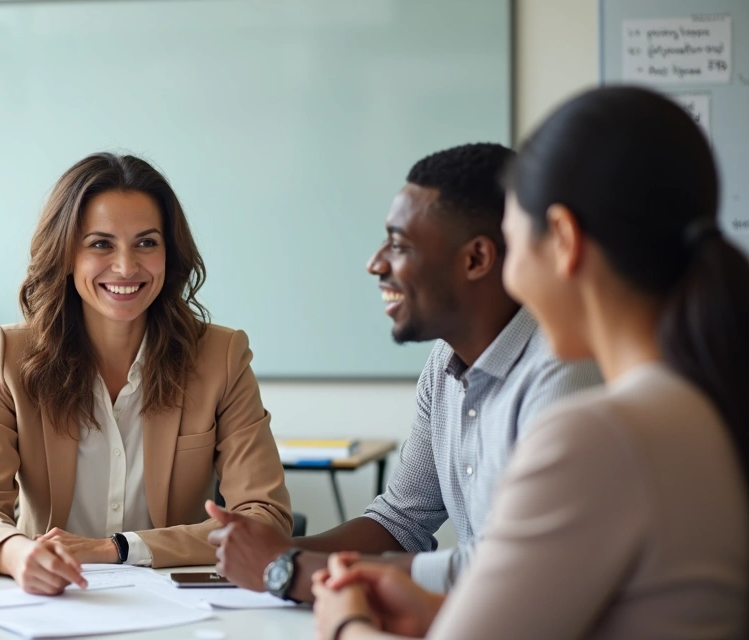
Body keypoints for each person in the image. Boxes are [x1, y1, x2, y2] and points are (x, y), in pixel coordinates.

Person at [314, 85, 749, 639]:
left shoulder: (600, 434)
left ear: (564, 240)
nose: (510, 280)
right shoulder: (694, 403)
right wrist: (437, 613)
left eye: (515, 247)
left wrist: (344, 621)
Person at [209, 143, 602, 601]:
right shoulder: (444, 364)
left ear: (476, 259)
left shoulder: (563, 376)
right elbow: (400, 521)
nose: (376, 263)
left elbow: (515, 573)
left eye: (398, 245)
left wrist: (288, 569)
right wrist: (271, 551)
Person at [0, 152, 293, 594]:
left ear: (170, 253)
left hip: (175, 608)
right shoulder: (11, 355)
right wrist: (20, 553)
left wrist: (117, 549)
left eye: (146, 243)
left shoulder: (220, 356)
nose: (127, 267)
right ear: (67, 253)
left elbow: (265, 517)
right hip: (50, 602)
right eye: (101, 244)